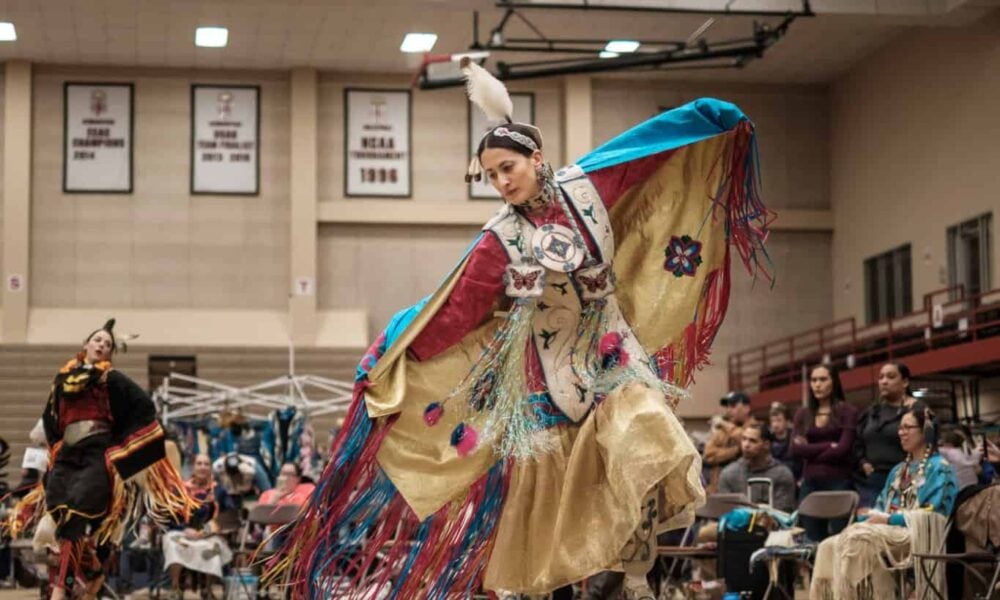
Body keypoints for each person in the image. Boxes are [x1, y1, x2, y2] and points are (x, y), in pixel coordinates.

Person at [264, 61, 771, 599]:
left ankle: (636, 574)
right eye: (491, 175)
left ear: (537, 158)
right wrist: (396, 350)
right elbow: (456, 311)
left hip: (614, 354)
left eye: (508, 167)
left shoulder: (587, 187)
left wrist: (703, 120)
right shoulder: (498, 240)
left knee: (648, 434)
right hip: (547, 379)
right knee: (551, 511)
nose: (503, 182)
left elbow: (642, 152)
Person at [18, 319, 196, 600]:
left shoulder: (111, 378)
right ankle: (92, 572)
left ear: (110, 352)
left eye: (107, 343)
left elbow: (144, 407)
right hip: (67, 457)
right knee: (62, 519)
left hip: (95, 456)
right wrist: (55, 448)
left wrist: (120, 450)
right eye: (97, 340)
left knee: (75, 518)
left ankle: (60, 590)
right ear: (85, 345)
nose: (101, 345)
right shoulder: (63, 378)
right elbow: (51, 417)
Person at [811, 404, 958, 600]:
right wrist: (868, 516)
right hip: (886, 531)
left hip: (915, 534)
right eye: (900, 427)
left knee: (858, 541)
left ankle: (875, 596)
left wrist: (889, 520)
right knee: (828, 546)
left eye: (907, 427)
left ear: (926, 432)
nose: (901, 433)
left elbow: (936, 515)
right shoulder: (898, 470)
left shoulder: (941, 469)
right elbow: (881, 507)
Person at [791, 363, 858, 542]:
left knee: (841, 539)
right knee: (810, 540)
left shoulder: (847, 411)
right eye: (813, 380)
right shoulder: (803, 414)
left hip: (839, 482)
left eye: (822, 379)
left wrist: (811, 452)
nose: (817, 385)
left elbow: (843, 449)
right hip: (810, 483)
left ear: (833, 382)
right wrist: (829, 445)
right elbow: (796, 449)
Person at [162, 454, 232, 600]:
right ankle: (175, 588)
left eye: (206, 464)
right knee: (172, 542)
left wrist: (207, 531)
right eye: (199, 463)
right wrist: (184, 529)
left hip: (209, 534)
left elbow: (229, 516)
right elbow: (169, 516)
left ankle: (208, 589)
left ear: (211, 468)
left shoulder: (219, 491)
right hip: (183, 532)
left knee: (214, 547)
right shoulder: (180, 489)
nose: (202, 467)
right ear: (193, 467)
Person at [854, 361, 916, 507]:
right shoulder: (871, 412)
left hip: (906, 478)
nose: (884, 381)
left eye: (890, 377)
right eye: (881, 377)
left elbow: (926, 445)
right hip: (874, 480)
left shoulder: (917, 410)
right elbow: (858, 441)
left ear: (905, 382)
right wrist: (863, 462)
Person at [719, 422, 796, 513]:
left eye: (753, 441)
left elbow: (783, 512)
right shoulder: (729, 473)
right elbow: (724, 512)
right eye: (744, 439)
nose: (746, 445)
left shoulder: (782, 474)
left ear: (766, 445)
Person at [703, 391, 756, 494]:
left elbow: (742, 437)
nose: (728, 410)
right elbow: (708, 454)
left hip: (744, 488)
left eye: (733, 406)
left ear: (746, 408)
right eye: (727, 406)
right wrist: (736, 451)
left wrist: (725, 425)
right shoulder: (722, 431)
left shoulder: (755, 427)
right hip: (718, 488)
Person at [767, 402, 800, 481]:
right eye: (773, 421)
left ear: (787, 422)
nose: (775, 425)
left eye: (779, 420)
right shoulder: (768, 440)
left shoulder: (795, 439)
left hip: (793, 478)